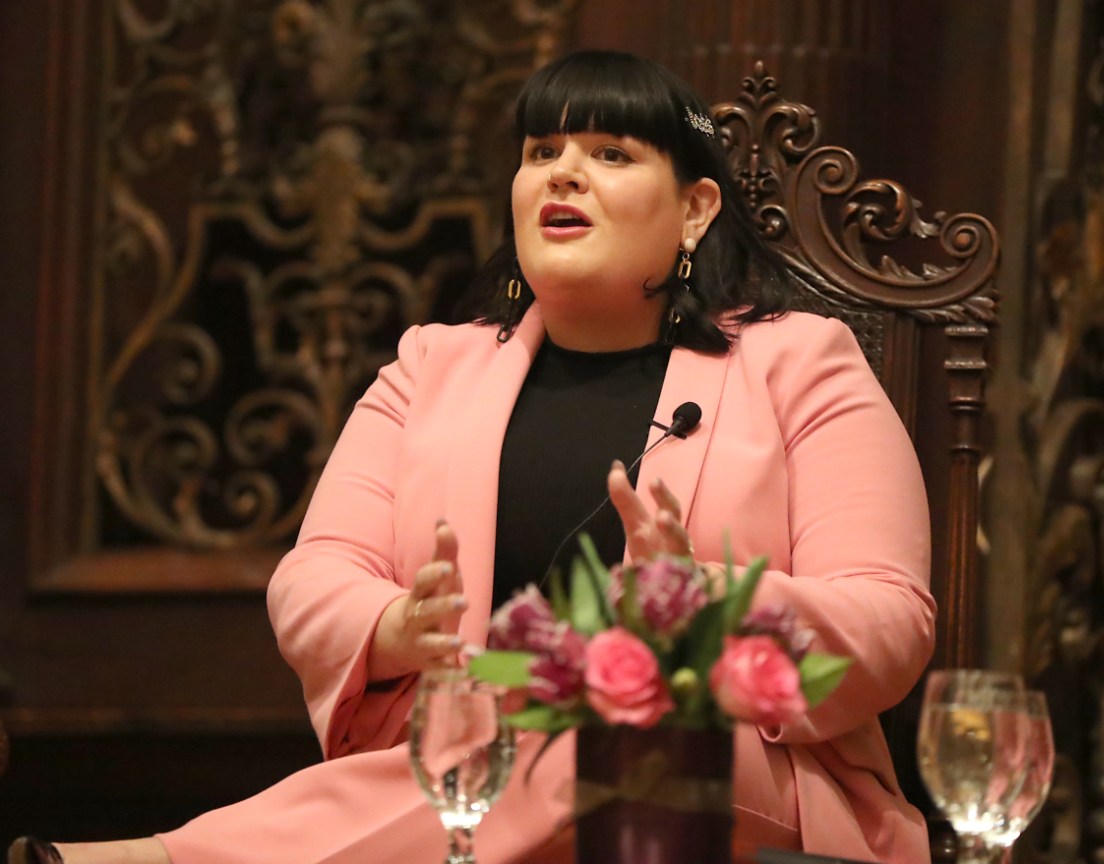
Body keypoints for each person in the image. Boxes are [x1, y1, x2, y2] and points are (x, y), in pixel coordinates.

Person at [10, 49, 935, 864]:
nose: (562, 176)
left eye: (610, 155)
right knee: (507, 737)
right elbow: (316, 574)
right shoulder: (431, 367)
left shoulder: (797, 361)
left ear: (695, 209)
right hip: (467, 749)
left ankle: (163, 861)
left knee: (599, 730)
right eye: (542, 154)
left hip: (730, 763)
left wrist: (713, 609)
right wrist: (392, 625)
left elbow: (891, 619)